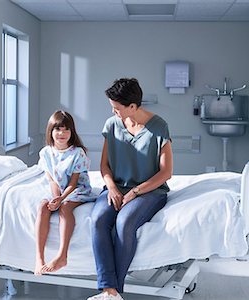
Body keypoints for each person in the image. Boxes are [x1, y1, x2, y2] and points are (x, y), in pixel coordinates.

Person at [88, 78, 173, 300]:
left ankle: (113, 289)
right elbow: (104, 165)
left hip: (150, 191)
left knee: (124, 222)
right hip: (117, 187)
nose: (113, 111)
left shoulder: (159, 127)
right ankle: (110, 291)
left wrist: (135, 192)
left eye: (117, 108)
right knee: (97, 219)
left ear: (133, 106)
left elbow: (166, 173)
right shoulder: (112, 125)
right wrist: (112, 188)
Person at [35, 110, 94, 275]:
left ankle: (62, 255)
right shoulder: (46, 153)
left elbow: (74, 184)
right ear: (51, 131)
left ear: (72, 132)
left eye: (66, 129)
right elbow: (52, 180)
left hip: (76, 190)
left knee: (65, 208)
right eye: (58, 129)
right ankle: (39, 258)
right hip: (58, 191)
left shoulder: (77, 153)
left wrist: (61, 199)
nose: (62, 133)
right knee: (42, 207)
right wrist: (55, 198)